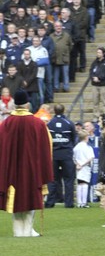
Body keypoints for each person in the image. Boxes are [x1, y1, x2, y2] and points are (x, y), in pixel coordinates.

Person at [0, 89, 53, 237]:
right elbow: (45, 147)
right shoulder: (38, 124)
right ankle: (28, 230)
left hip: (11, 169)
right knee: (30, 197)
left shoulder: (5, 124)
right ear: (27, 104)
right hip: (32, 169)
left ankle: (18, 231)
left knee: (15, 200)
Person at [47, 103, 77, 209]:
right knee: (69, 179)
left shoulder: (49, 123)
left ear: (54, 111)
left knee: (52, 179)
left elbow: (47, 139)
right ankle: (69, 203)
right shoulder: (69, 123)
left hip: (53, 155)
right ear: (63, 111)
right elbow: (74, 138)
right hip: (66, 155)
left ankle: (50, 202)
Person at [89, 47, 105, 122]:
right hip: (95, 85)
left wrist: (99, 78)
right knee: (95, 101)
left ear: (103, 53)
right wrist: (93, 77)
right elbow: (91, 71)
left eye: (99, 52)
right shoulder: (94, 62)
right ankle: (96, 116)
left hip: (104, 85)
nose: (98, 54)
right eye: (97, 52)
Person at [73, 130, 94, 208]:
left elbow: (74, 158)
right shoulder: (88, 147)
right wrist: (82, 164)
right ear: (86, 137)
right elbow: (90, 158)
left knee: (79, 183)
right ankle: (84, 202)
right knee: (84, 183)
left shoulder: (76, 147)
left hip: (78, 167)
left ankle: (79, 202)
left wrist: (77, 164)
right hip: (85, 167)